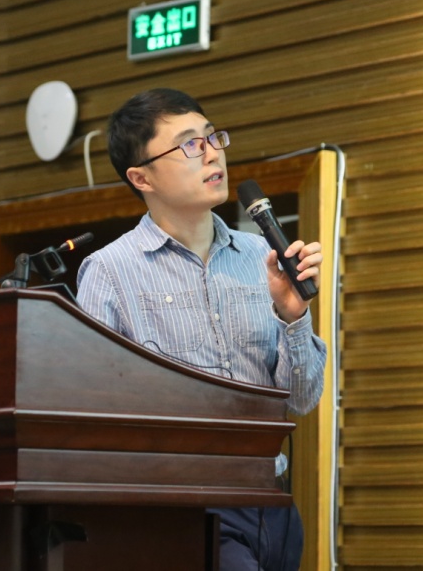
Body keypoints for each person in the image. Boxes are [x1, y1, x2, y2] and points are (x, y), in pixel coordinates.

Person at [75, 88, 327, 570]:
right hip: (179, 508)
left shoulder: (261, 257)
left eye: (213, 137)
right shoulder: (110, 271)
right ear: (141, 177)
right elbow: (93, 415)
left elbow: (301, 399)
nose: (212, 153)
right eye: (190, 144)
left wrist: (293, 316)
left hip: (271, 504)